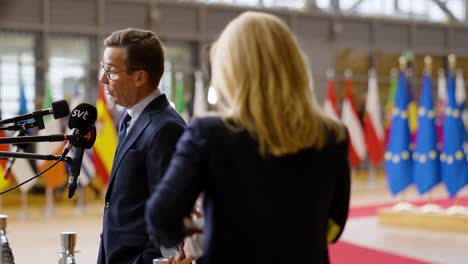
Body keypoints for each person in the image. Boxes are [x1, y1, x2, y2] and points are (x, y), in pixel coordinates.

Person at [145, 11, 351, 264]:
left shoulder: (209, 133)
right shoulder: (332, 134)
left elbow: (161, 219)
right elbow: (334, 226)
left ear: (230, 70)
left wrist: (201, 226)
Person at [97, 28, 186, 264]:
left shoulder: (165, 128)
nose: (103, 79)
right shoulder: (131, 120)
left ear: (140, 77)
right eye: (103, 69)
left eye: (111, 71)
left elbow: (171, 218)